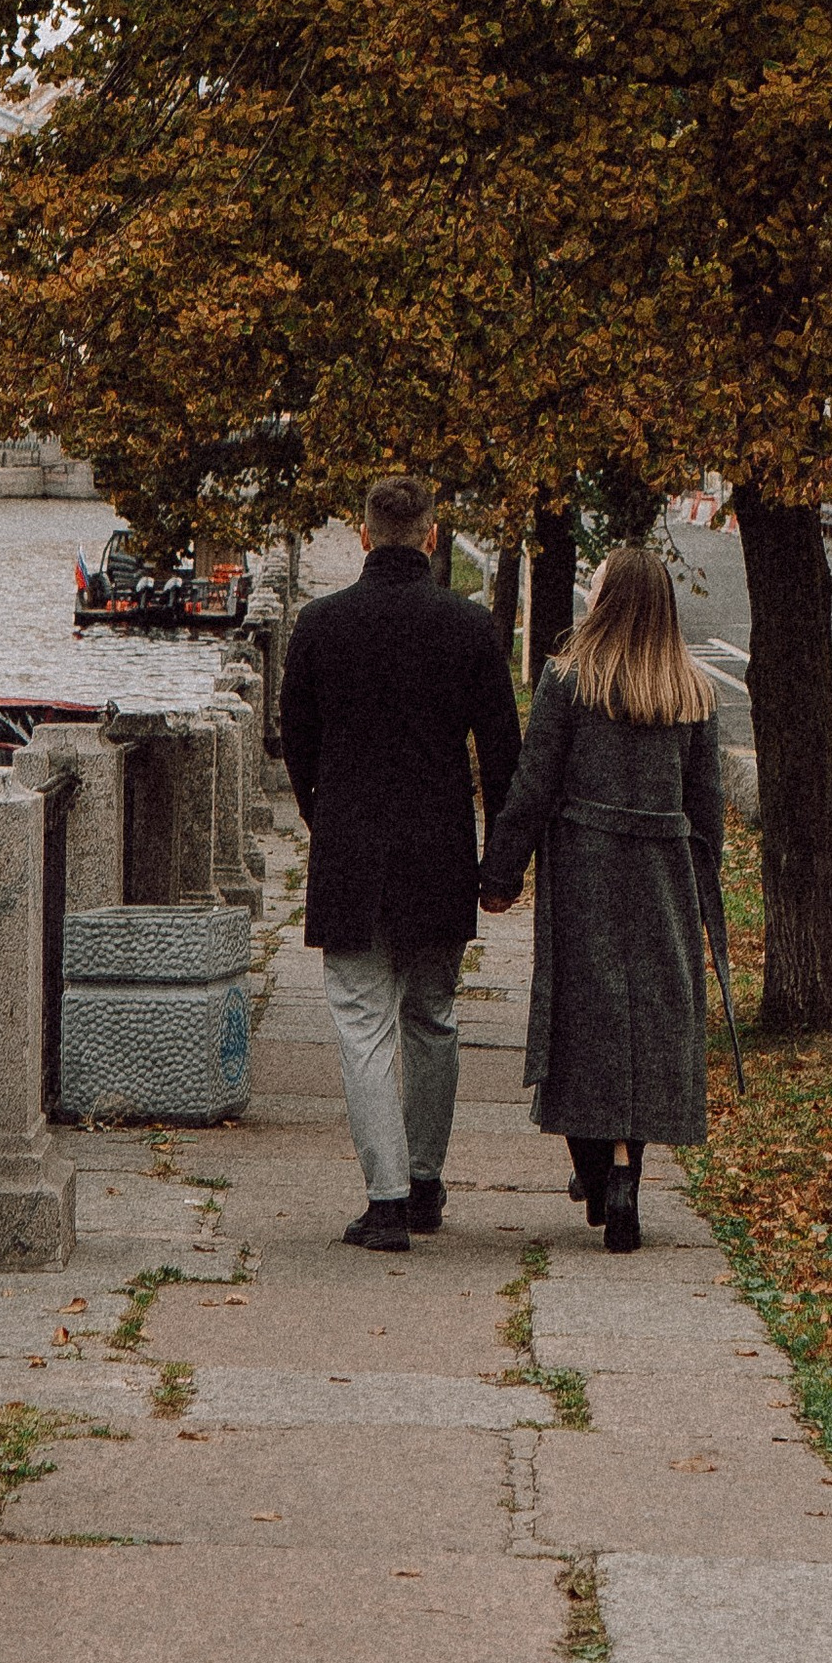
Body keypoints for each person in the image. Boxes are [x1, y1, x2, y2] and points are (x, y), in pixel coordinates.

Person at [280, 473, 522, 1251]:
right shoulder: (469, 626)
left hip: (352, 851)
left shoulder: (319, 625)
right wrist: (502, 864)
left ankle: (383, 1199)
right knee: (433, 1016)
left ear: (362, 535)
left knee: (361, 1025)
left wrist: (330, 819)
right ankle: (425, 1181)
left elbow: (297, 744)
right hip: (438, 851)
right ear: (431, 535)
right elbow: (501, 754)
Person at [476, 540, 727, 1255]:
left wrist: (500, 873)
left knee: (583, 1019)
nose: (587, 593)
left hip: (584, 865)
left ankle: (599, 1165)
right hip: (661, 874)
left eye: (596, 585)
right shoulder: (692, 693)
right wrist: (702, 881)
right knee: (647, 1022)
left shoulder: (568, 681)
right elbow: (706, 811)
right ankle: (627, 1173)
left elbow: (532, 785)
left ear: (611, 601)